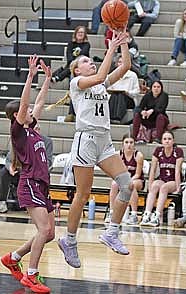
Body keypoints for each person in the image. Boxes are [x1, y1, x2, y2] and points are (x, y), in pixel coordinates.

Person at [57, 31, 132, 268]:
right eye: (86, 61)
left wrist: (123, 45)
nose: (91, 62)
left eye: (91, 60)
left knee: (127, 185)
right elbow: (101, 76)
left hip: (104, 140)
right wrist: (110, 47)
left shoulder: (101, 85)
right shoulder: (76, 83)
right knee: (83, 194)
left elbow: (126, 67)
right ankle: (69, 240)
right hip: (86, 141)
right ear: (77, 70)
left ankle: (111, 232)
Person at [0, 55, 54, 294]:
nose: (32, 110)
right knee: (43, 230)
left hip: (42, 185)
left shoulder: (32, 129)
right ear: (17, 117)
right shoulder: (18, 132)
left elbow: (39, 102)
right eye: (27, 110)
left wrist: (47, 80)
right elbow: (25, 105)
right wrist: (30, 76)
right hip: (29, 183)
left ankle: (14, 257)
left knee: (49, 233)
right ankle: (31, 275)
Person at [0, 123, 53, 214]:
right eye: (34, 128)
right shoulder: (20, 139)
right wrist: (10, 167)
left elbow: (49, 162)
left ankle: (36, 204)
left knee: (42, 175)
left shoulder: (47, 141)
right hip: (20, 172)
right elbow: (8, 160)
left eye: (38, 128)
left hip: (35, 173)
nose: (36, 131)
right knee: (4, 172)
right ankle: (1, 203)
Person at [140, 131, 183, 227]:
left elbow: (177, 171)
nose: (167, 141)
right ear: (162, 141)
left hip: (173, 181)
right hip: (162, 178)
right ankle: (147, 215)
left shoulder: (178, 151)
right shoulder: (158, 151)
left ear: (173, 141)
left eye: (169, 139)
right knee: (155, 186)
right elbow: (153, 169)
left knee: (164, 188)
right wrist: (150, 185)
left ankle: (157, 216)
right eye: (165, 139)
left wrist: (178, 188)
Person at [105, 135, 144, 225]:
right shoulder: (118, 155)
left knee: (131, 184)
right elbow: (115, 172)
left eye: (131, 142)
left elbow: (138, 174)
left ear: (134, 144)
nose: (129, 145)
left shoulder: (138, 155)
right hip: (122, 180)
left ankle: (134, 215)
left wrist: (127, 181)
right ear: (122, 144)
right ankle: (111, 213)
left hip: (137, 180)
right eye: (126, 142)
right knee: (114, 184)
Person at [107, 55, 140, 123]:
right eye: (119, 62)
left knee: (121, 95)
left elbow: (137, 91)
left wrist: (128, 92)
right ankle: (111, 117)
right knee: (116, 95)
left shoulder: (133, 75)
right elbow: (108, 88)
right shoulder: (112, 75)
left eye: (123, 62)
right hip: (114, 97)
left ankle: (118, 117)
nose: (121, 64)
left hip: (129, 99)